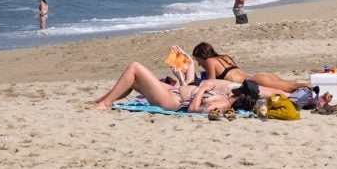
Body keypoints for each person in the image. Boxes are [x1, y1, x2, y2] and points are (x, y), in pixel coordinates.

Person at [91, 61, 258, 112]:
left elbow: (194, 109)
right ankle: (103, 100)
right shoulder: (226, 97)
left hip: (172, 101)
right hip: (173, 92)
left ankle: (105, 104)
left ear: (242, 93)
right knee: (134, 81)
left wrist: (202, 89)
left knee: (135, 67)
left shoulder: (223, 104)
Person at [191, 42, 311, 93]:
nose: (199, 64)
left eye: (198, 60)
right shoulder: (225, 58)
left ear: (202, 56)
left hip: (255, 81)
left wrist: (195, 81)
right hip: (260, 77)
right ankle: (317, 86)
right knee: (293, 84)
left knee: (293, 87)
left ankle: (317, 87)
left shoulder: (210, 61)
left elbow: (211, 83)